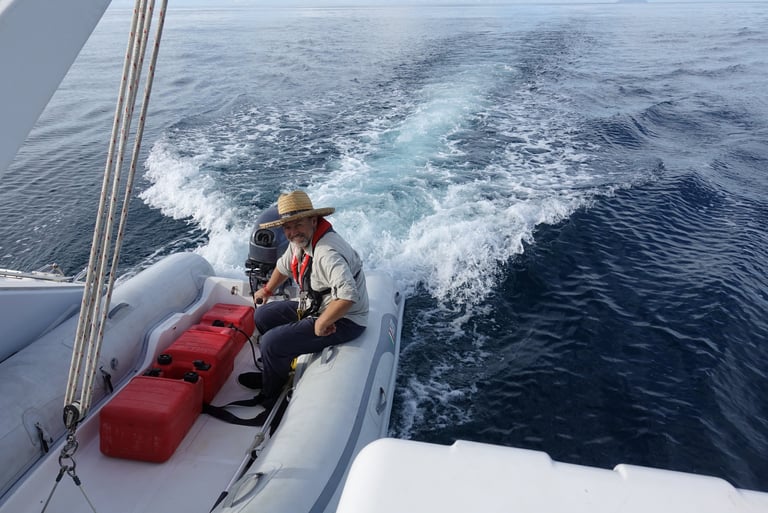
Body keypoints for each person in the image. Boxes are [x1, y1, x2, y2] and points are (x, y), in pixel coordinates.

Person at [244, 190, 368, 410]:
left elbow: (348, 295)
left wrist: (322, 323)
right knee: (263, 315)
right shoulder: (299, 242)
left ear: (313, 220)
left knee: (271, 342)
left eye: (298, 224)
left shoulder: (327, 252)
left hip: (344, 318)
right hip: (316, 306)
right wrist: (267, 290)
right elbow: (283, 267)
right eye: (288, 227)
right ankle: (276, 370)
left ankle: (270, 396)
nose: (292, 232)